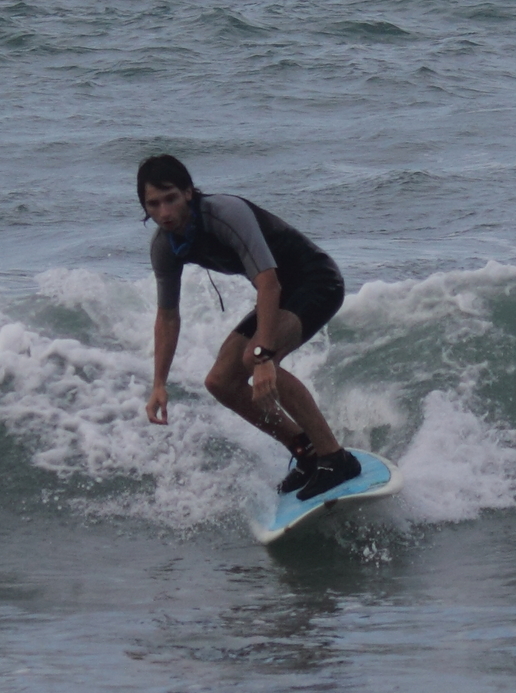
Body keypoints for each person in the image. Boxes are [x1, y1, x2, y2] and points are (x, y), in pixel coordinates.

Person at [137, 153, 360, 500]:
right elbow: (167, 316)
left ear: (189, 193)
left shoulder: (225, 214)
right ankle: (305, 451)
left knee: (251, 358)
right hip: (279, 292)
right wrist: (159, 384)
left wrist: (263, 357)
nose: (164, 213)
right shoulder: (165, 248)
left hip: (316, 281)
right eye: (153, 204)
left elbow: (268, 283)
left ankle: (335, 457)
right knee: (220, 382)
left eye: (171, 199)